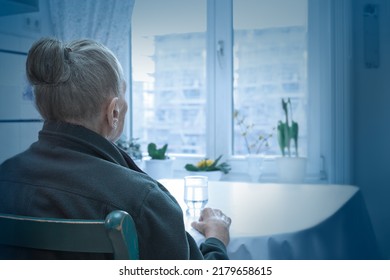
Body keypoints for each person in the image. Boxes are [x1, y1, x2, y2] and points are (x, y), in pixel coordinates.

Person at [0, 37, 231, 260]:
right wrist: (216, 239)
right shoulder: (145, 202)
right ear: (114, 112)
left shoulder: (5, 176)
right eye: (124, 94)